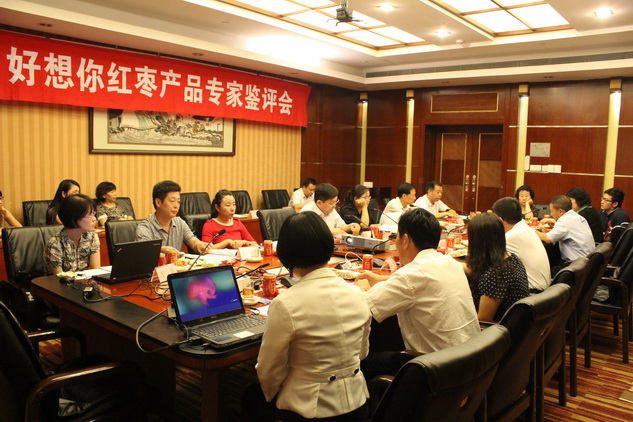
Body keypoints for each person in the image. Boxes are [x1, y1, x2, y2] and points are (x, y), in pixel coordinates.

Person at [252, 212, 371, 421]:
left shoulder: (286, 303)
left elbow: (269, 369)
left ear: (286, 253)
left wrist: (274, 396)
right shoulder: (357, 294)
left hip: (309, 408)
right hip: (358, 404)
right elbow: (362, 353)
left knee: (250, 398)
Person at [354, 208, 480, 379]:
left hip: (438, 370)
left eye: (397, 237)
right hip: (471, 361)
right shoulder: (449, 262)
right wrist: (381, 279)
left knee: (363, 363)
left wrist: (362, 287)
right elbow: (420, 285)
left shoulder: (410, 276)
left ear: (406, 240)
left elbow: (364, 306)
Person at [464, 213, 530, 322]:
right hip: (519, 325)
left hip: (501, 329)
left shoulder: (495, 275)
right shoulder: (510, 258)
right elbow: (478, 270)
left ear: (476, 242)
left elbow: (483, 320)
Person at [135, 180, 214, 254]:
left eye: (178, 202)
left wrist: (199, 244)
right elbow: (144, 251)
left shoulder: (180, 222)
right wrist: (163, 250)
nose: (176, 206)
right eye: (172, 201)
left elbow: (192, 240)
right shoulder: (145, 227)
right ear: (158, 202)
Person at [493, 197, 551, 292]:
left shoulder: (513, 235)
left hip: (532, 293)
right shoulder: (524, 227)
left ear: (499, 220)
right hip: (543, 291)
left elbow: (490, 260)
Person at [44, 194, 100, 274]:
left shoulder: (92, 236)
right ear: (74, 217)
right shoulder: (55, 244)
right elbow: (59, 277)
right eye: (90, 215)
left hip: (87, 280)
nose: (94, 219)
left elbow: (95, 270)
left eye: (94, 214)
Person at [535, 195, 595, 268]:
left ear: (560, 211)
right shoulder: (576, 216)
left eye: (551, 211)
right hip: (587, 262)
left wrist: (533, 231)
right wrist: (546, 231)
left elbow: (548, 239)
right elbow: (564, 233)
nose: (551, 214)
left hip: (575, 266)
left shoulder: (564, 221)